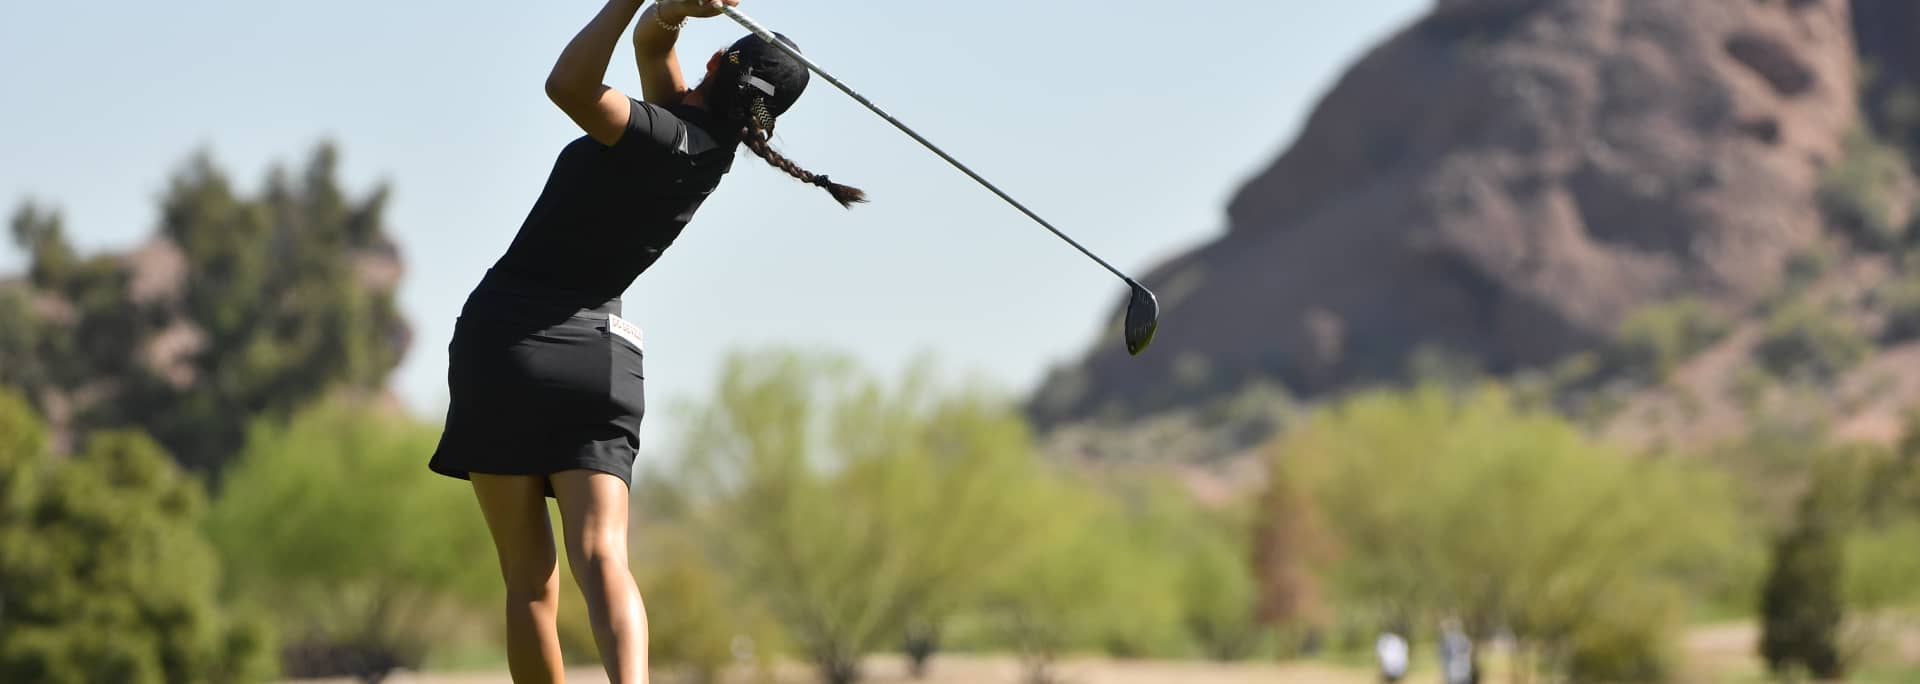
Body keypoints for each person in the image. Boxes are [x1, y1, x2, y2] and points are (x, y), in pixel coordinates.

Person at [426, 1, 864, 682]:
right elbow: (654, 52)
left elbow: (567, 86)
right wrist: (674, 10)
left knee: (530, 583)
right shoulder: (704, 146)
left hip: (508, 341)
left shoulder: (659, 133)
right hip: (602, 360)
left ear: (720, 63)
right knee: (604, 557)